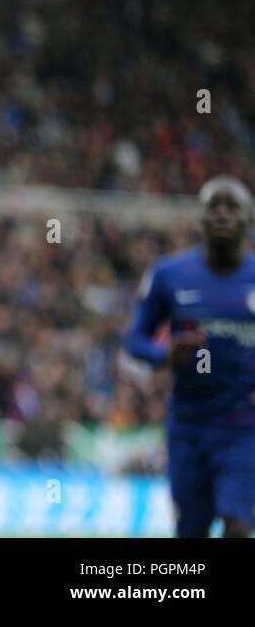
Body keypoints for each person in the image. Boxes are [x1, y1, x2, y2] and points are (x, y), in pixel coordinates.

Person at [125, 175, 255, 538]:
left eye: (233, 208)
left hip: (244, 428)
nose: (223, 215)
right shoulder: (170, 274)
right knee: (191, 531)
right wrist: (164, 354)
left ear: (249, 219)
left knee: (237, 526)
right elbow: (135, 339)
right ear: (199, 218)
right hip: (188, 426)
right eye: (215, 207)